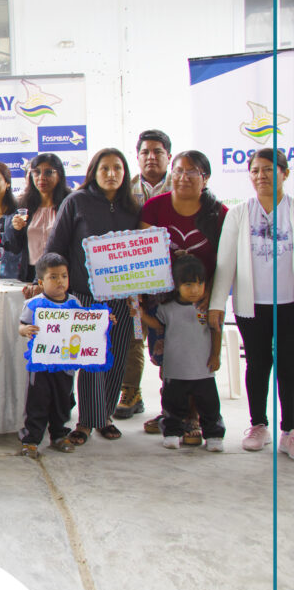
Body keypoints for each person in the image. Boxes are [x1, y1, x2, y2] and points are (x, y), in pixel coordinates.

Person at [45, 148, 141, 445]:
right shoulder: (76, 201)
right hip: (85, 295)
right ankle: (86, 422)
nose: (111, 174)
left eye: (117, 168)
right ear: (93, 172)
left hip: (122, 297)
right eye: (105, 168)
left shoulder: (133, 207)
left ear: (125, 173)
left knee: (115, 358)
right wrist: (56, 287)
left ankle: (105, 417)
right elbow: (56, 247)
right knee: (89, 360)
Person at [135, 151, 227, 435]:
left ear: (205, 178)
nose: (183, 177)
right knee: (168, 357)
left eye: (192, 172)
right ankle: (172, 412)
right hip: (163, 298)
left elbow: (226, 262)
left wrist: (212, 294)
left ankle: (194, 416)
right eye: (178, 171)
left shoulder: (219, 213)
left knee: (198, 357)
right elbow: (143, 254)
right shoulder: (154, 207)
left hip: (201, 298)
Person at [209, 148, 293, 456]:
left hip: (290, 304)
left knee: (289, 365)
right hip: (252, 305)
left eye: (268, 169)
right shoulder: (239, 213)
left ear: (284, 173)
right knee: (257, 364)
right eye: (255, 170)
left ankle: (290, 431)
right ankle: (259, 425)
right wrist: (217, 304)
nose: (261, 176)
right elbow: (225, 263)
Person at [139, 255, 224, 452]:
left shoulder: (206, 308)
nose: (195, 290)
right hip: (175, 369)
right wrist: (141, 314)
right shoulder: (166, 308)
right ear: (176, 285)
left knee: (210, 406)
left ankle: (214, 435)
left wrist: (215, 355)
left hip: (203, 370)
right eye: (188, 285)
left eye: (200, 284)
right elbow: (158, 326)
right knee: (172, 405)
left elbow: (216, 330)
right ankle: (172, 433)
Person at [116, 130, 172, 420]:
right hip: (134, 279)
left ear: (168, 156)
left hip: (172, 281)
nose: (151, 157)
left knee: (172, 340)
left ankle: (174, 402)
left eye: (157, 151)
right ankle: (131, 392)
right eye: (145, 152)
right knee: (132, 336)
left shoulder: (182, 185)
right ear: (137, 157)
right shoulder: (125, 191)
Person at [17, 252, 80, 458]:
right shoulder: (35, 303)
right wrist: (25, 330)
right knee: (37, 402)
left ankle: (59, 435)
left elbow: (85, 327)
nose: (60, 281)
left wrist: (105, 321)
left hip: (65, 365)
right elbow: (21, 325)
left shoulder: (74, 303)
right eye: (53, 277)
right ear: (42, 282)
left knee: (63, 401)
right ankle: (31, 439)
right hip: (40, 366)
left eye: (64, 276)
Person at [4, 154, 71, 283]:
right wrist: (16, 229)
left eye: (48, 172)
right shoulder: (23, 205)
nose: (41, 177)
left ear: (59, 175)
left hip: (62, 274)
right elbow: (15, 248)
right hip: (31, 272)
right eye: (36, 172)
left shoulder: (69, 203)